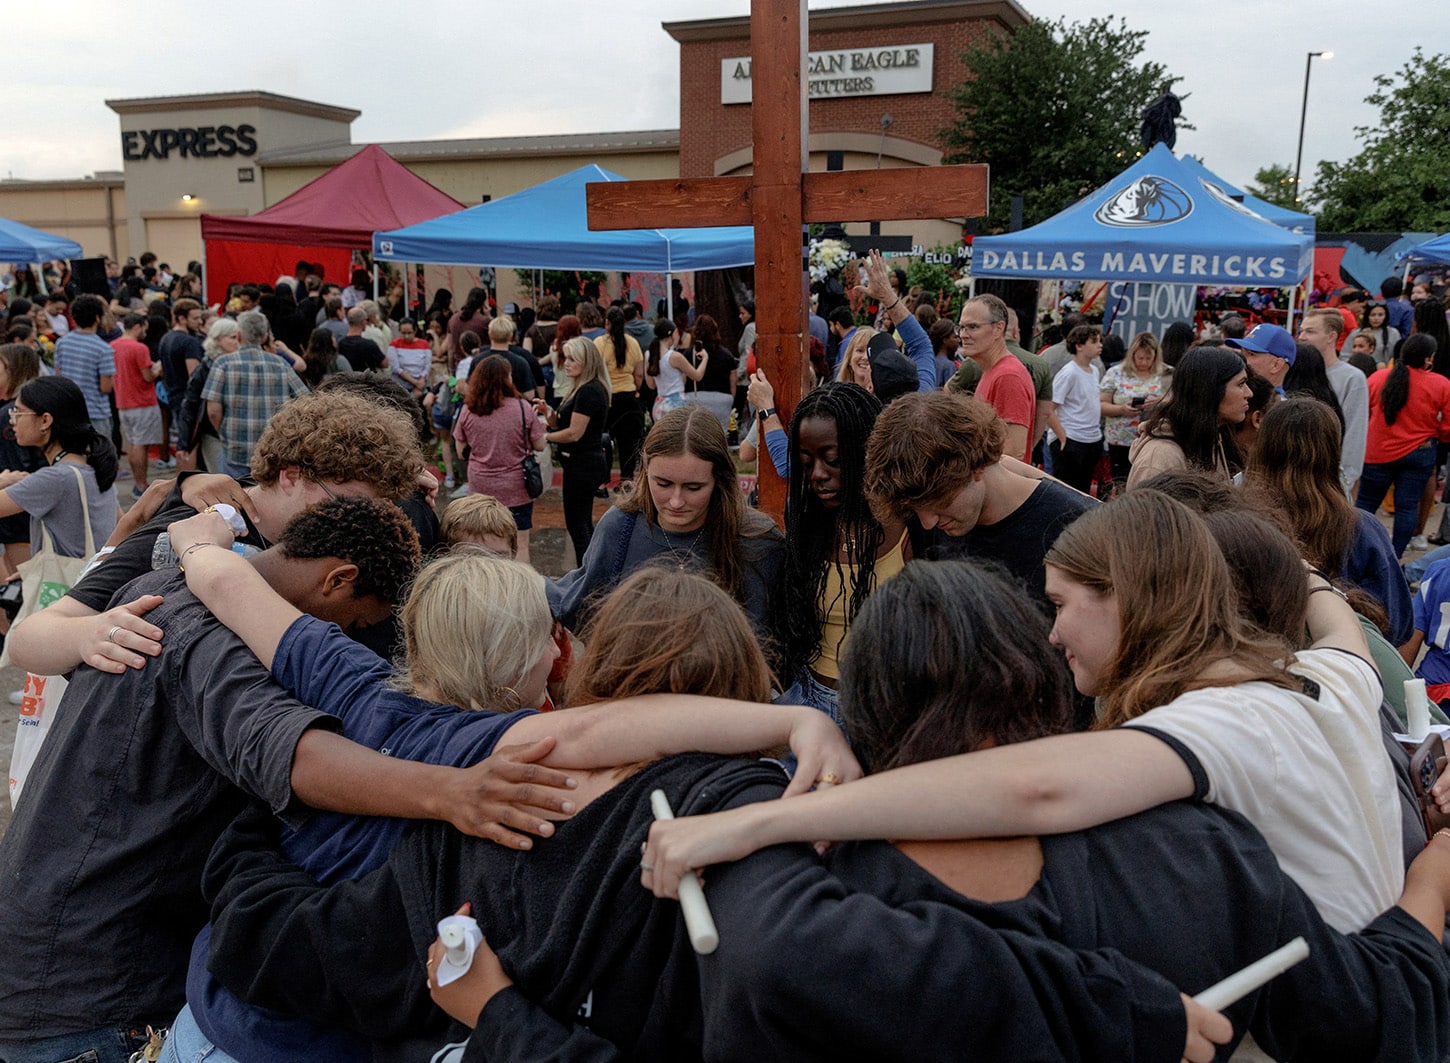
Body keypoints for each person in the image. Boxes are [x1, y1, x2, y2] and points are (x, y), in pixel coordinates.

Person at [637, 559, 1450, 1063]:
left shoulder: (810, 892)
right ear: (1040, 672)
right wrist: (1435, 875)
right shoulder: (1202, 852)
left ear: (870, 710)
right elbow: (1374, 1016)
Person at [646, 490, 1406, 942]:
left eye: (1062, 604)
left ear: (1131, 598)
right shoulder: (1327, 678)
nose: (1051, 634)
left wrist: (757, 823)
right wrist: (1301, 569)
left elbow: (1035, 789)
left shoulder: (1216, 726)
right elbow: (1334, 617)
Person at [185, 566, 857, 1063]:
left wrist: (263, 822)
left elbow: (297, 946)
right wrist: (798, 724)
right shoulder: (501, 780)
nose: (561, 653)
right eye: (548, 637)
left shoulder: (493, 794)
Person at [3, 390, 424, 681]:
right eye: (347, 501)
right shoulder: (194, 524)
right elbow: (29, 639)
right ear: (291, 476)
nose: (361, 518)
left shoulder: (306, 530)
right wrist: (91, 634)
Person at [547, 405, 784, 635]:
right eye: (663, 484)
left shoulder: (758, 541)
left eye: (693, 487)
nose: (676, 501)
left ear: (719, 480)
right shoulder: (620, 527)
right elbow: (581, 601)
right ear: (645, 472)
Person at [863, 391, 1097, 612]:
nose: (928, 523)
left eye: (939, 501)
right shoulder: (926, 504)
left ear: (975, 467)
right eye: (916, 509)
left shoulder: (1078, 531)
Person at [776, 382, 905, 724]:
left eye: (833, 460)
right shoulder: (808, 524)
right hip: (807, 703)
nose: (818, 475)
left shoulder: (911, 525)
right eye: (806, 463)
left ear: (867, 452)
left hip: (883, 712)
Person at [1244, 397, 1412, 644]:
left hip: (1259, 657)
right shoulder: (1362, 529)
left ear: (1263, 448)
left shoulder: (1240, 524)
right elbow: (1397, 625)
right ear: (1332, 453)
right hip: (1346, 657)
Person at [0, 376, 118, 569]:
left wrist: (3, 480)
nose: (12, 421)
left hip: (67, 582)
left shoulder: (56, 478)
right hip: (94, 576)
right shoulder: (92, 466)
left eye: (18, 413)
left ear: (45, 420)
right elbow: (122, 521)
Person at [1356, 334, 1450, 557]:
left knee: (1365, 505)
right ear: (1428, 358)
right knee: (1407, 506)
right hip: (1420, 451)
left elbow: (1363, 412)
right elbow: (1448, 426)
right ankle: (1394, 555)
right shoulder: (1441, 384)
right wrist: (1437, 436)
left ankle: (1356, 550)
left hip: (1378, 452)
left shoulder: (1378, 378)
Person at [452, 355, 546, 564]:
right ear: (506, 379)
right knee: (520, 543)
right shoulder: (522, 408)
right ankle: (518, 583)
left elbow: (460, 450)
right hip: (516, 487)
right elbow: (540, 444)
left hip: (480, 487)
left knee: (481, 544)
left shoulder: (468, 409)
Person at [201, 310, 309, 479]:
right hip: (272, 448)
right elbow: (305, 400)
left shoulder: (223, 363)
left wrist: (224, 433)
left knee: (234, 491)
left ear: (238, 335)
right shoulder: (280, 364)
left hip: (235, 448)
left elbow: (213, 410)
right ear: (265, 336)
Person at [1126, 346, 1251, 487]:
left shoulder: (1212, 436)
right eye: (1241, 384)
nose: (1249, 393)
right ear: (1209, 390)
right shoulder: (1161, 458)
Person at [536, 336, 610, 562]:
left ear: (586, 362)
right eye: (565, 358)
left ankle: (587, 573)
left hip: (583, 464)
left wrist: (545, 437)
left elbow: (574, 433)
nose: (566, 363)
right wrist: (549, 413)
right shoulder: (580, 388)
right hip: (579, 463)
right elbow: (562, 423)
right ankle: (590, 571)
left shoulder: (589, 390)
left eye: (571, 359)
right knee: (582, 523)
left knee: (578, 526)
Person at [953, 294, 1035, 461]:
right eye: (961, 327)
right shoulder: (994, 370)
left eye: (973, 327)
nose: (963, 335)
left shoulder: (1008, 376)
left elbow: (1014, 451)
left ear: (998, 328)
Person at [1299, 308, 1369, 496]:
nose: (1302, 337)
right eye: (1301, 331)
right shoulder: (1297, 371)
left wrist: (1345, 480)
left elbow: (1355, 433)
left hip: (1330, 481)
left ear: (1331, 336)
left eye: (1310, 331)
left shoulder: (1352, 378)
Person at [1099, 331, 1167, 487]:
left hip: (1153, 438)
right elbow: (1101, 405)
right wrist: (1121, 409)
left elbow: (1177, 402)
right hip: (1120, 440)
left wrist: (1161, 402)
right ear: (1132, 355)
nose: (1144, 362)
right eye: (1140, 358)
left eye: (1148, 358)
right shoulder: (1115, 373)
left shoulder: (1167, 374)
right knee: (1121, 482)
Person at [0, 344, 43, 577]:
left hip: (16, 511)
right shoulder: (16, 410)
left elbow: (18, 467)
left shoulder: (11, 414)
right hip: (19, 507)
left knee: (22, 580)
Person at [110, 311, 163, 496]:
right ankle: (141, 485)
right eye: (144, 329)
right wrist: (157, 370)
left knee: (133, 443)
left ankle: (138, 482)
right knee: (140, 444)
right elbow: (148, 376)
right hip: (142, 402)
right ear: (137, 327)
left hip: (123, 401)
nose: (145, 333)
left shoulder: (113, 345)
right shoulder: (139, 348)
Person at [1046, 325, 1104, 494]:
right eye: (1094, 341)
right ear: (1079, 346)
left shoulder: (1094, 370)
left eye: (1100, 341)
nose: (1099, 345)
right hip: (1072, 437)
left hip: (1091, 438)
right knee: (1067, 490)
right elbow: (1049, 408)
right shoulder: (1069, 373)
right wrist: (1062, 437)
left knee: (1083, 488)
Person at [51, 293, 116, 439]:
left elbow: (57, 376)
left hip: (68, 410)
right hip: (95, 412)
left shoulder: (62, 343)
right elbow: (106, 387)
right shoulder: (103, 349)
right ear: (98, 318)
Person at [596, 306, 646, 485]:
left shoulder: (599, 344)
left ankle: (603, 480)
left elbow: (595, 371)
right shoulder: (633, 343)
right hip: (628, 397)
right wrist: (636, 390)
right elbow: (639, 374)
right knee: (628, 442)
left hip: (606, 397)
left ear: (607, 323)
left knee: (603, 440)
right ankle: (626, 480)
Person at [680, 313, 736, 435]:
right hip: (722, 399)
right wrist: (731, 398)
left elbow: (683, 380)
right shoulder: (727, 355)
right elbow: (733, 382)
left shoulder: (688, 354)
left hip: (695, 398)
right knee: (719, 435)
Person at [645, 318, 704, 419]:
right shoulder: (674, 356)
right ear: (671, 334)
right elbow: (697, 376)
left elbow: (651, 385)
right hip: (676, 403)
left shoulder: (649, 355)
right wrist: (705, 358)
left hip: (659, 404)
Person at [387, 318, 432, 401]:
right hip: (401, 380)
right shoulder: (394, 344)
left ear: (415, 331)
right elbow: (396, 368)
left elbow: (427, 365)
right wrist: (415, 382)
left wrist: (421, 380)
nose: (406, 336)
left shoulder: (424, 344)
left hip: (420, 380)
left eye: (409, 333)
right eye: (403, 333)